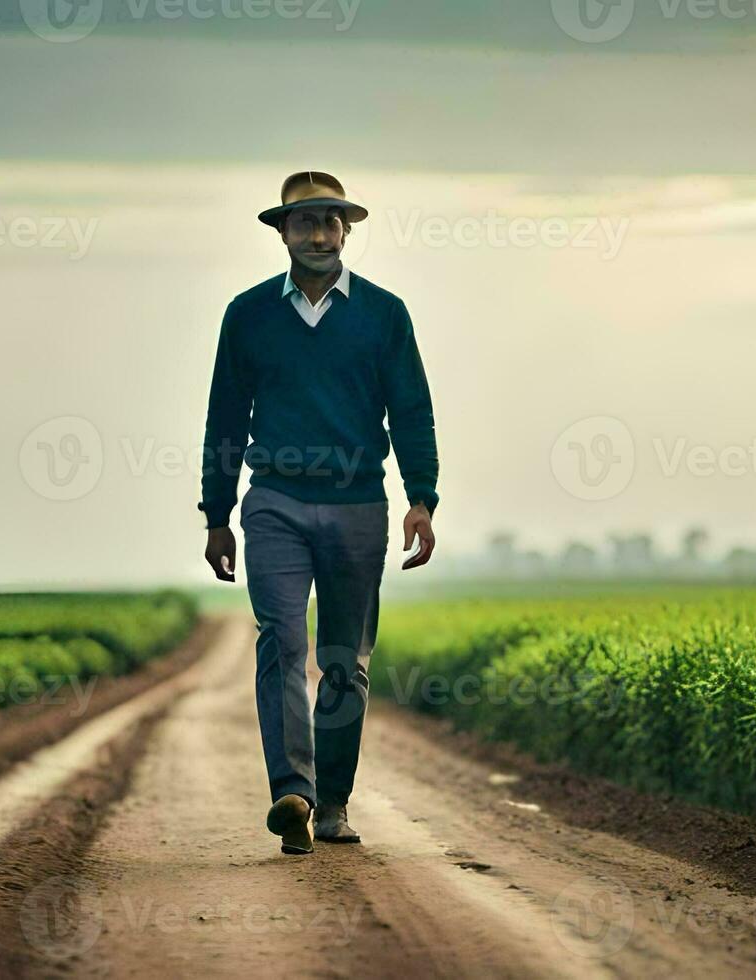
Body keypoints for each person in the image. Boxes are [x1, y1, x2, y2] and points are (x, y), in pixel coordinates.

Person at [198, 170, 439, 855]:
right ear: (282, 231)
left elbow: (413, 409)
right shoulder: (247, 314)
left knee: (344, 661)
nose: (320, 233)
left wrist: (421, 497)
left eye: (332, 221)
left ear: (347, 231)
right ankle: (292, 792)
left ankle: (332, 802)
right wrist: (217, 512)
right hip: (273, 500)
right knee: (281, 638)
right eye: (305, 221)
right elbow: (225, 415)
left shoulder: (384, 313)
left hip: (359, 502)